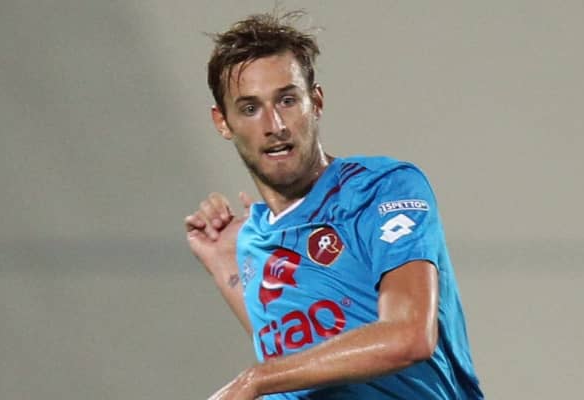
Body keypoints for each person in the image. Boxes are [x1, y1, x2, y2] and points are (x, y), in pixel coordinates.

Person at [185, 10, 484, 400]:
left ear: (316, 101)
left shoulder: (381, 190)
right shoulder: (252, 240)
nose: (275, 125)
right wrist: (225, 264)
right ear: (222, 122)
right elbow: (296, 360)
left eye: (287, 100)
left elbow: (410, 336)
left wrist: (255, 380)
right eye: (250, 108)